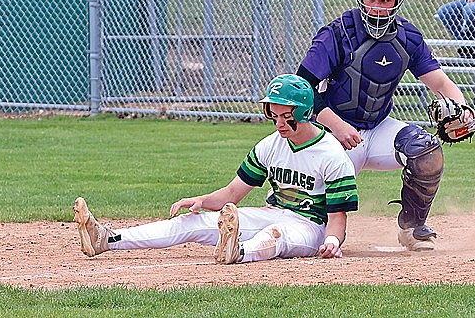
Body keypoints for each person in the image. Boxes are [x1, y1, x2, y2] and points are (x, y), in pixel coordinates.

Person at [74, 74, 358, 263]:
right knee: (193, 222)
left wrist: (332, 241)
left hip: (310, 227)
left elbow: (337, 217)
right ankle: (107, 239)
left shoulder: (331, 154)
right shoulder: (269, 145)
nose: (279, 123)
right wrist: (201, 201)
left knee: (276, 235)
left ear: (304, 113)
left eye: (287, 116)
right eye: (274, 116)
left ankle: (239, 252)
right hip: (273, 212)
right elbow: (233, 193)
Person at [296, 0, 475, 251]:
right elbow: (303, 89)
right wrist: (338, 127)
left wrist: (460, 107)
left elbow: (441, 84)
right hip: (333, 132)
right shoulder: (337, 33)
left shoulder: (407, 37)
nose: (378, 7)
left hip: (377, 128)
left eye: (386, 0)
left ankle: (411, 228)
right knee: (311, 233)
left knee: (425, 151)